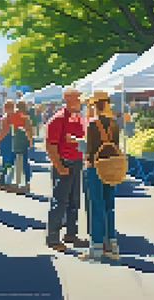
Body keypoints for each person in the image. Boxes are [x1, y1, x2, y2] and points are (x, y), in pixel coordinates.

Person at [45, 88, 89, 251]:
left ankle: (71, 233)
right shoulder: (58, 119)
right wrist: (59, 166)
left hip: (76, 162)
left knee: (74, 201)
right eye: (77, 98)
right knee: (60, 201)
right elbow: (50, 145)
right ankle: (52, 238)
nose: (80, 101)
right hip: (64, 162)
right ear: (68, 99)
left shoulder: (77, 117)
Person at [78, 91, 120, 261]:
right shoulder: (114, 124)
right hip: (111, 167)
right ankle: (112, 244)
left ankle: (96, 246)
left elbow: (89, 150)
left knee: (96, 205)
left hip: (95, 167)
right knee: (109, 205)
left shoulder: (92, 125)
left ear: (95, 106)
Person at [0, 100, 16, 190]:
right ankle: (8, 180)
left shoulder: (5, 118)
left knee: (6, 161)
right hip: (14, 140)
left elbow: (3, 131)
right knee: (11, 161)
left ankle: (3, 181)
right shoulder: (16, 116)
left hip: (6, 140)